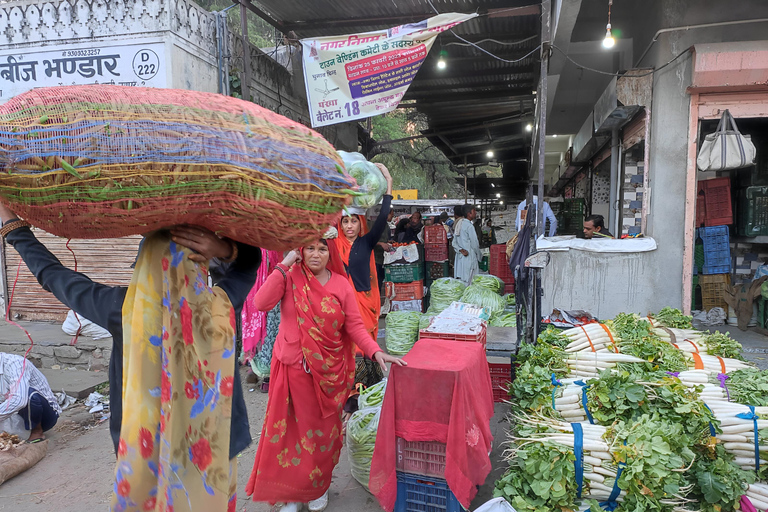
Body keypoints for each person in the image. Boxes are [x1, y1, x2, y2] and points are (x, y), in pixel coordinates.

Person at [0, 203, 260, 511]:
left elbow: (53, 275)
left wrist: (12, 226)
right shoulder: (221, 306)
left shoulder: (122, 309)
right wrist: (225, 250)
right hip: (213, 446)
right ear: (200, 266)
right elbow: (248, 266)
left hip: (142, 449)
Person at [246, 240, 405, 512]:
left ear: (330, 252)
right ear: (300, 250)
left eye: (322, 248)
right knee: (290, 436)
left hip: (330, 376)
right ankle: (293, 495)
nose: (316, 254)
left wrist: (375, 351)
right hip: (291, 370)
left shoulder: (341, 285)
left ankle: (317, 488)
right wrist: (285, 263)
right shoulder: (289, 276)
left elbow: (355, 326)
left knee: (322, 436)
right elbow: (261, 302)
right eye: (309, 248)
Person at [327, 164, 393, 405]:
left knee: (365, 343)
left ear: (359, 223)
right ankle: (352, 395)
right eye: (345, 222)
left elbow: (383, 215)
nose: (349, 226)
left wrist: (387, 182)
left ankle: (366, 390)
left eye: (353, 222)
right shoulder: (332, 243)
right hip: (342, 304)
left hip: (364, 304)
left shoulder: (366, 243)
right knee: (348, 346)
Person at [0, 352, 61, 442]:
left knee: (29, 395)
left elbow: (19, 400)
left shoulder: (16, 363)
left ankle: (36, 432)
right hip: (13, 414)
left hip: (45, 415)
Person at [452, 204, 482, 284]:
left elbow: (454, 242)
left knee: (462, 282)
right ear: (469, 213)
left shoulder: (459, 224)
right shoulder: (469, 226)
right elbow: (475, 244)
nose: (475, 213)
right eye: (474, 211)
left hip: (460, 258)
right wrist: (479, 256)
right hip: (469, 258)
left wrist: (460, 250)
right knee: (471, 282)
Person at [374, 209, 395, 292]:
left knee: (380, 280)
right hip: (375, 258)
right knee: (376, 282)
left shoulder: (386, 225)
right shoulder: (376, 224)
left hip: (383, 259)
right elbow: (368, 240)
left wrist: (388, 242)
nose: (392, 217)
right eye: (391, 215)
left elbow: (383, 239)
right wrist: (381, 244)